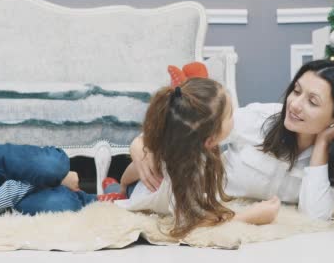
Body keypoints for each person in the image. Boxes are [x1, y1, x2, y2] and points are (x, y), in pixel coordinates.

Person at [131, 60, 334, 221]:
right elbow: (191, 127)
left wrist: (322, 146)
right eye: (296, 91)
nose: (295, 105)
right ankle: (117, 184)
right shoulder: (261, 120)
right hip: (193, 196)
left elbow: (316, 218)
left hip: (216, 209)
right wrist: (140, 144)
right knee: (145, 174)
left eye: (313, 101)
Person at [104, 76, 280, 239]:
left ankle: (114, 185)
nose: (235, 118)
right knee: (120, 192)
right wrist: (250, 216)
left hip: (135, 184)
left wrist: (124, 182)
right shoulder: (185, 172)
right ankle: (110, 187)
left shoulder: (178, 145)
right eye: (230, 115)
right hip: (136, 192)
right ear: (210, 140)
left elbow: (132, 173)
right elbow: (191, 222)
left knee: (131, 181)